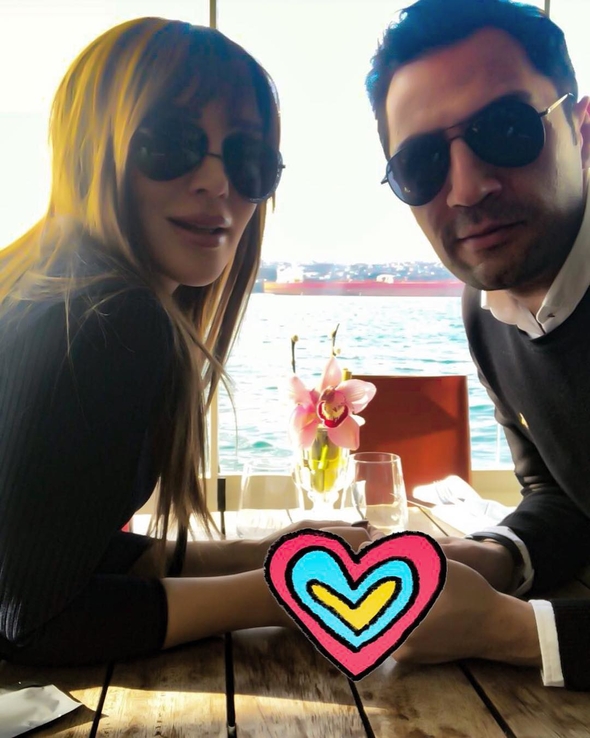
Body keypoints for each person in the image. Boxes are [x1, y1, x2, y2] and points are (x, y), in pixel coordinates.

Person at [0, 18, 377, 667]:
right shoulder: (111, 321)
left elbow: (63, 551)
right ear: (92, 150)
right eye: (171, 143)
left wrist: (274, 551)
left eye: (248, 158)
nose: (216, 183)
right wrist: (294, 593)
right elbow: (32, 621)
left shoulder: (38, 291)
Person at [366, 0, 590, 690]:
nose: (466, 189)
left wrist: (511, 630)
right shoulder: (486, 309)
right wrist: (490, 558)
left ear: (582, 131)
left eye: (506, 130)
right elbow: (561, 496)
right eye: (422, 164)